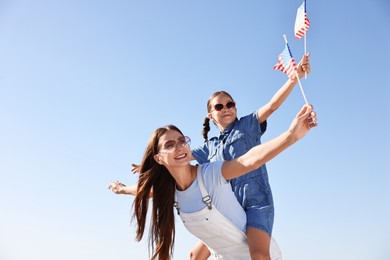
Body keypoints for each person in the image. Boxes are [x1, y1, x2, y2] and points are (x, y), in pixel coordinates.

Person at [127, 53, 311, 260]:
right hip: (226, 205)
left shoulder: (248, 125)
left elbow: (272, 105)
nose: (226, 109)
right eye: (219, 106)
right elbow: (178, 160)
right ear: (210, 116)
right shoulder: (209, 147)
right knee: (195, 255)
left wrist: (294, 78)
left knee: (258, 254)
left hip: (255, 201)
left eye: (230, 104)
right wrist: (148, 166)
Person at [109, 104, 317, 260]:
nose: (179, 147)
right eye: (170, 145)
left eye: (182, 141)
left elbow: (249, 160)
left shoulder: (210, 174)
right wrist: (121, 190)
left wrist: (291, 135)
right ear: (159, 158)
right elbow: (145, 190)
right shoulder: (171, 191)